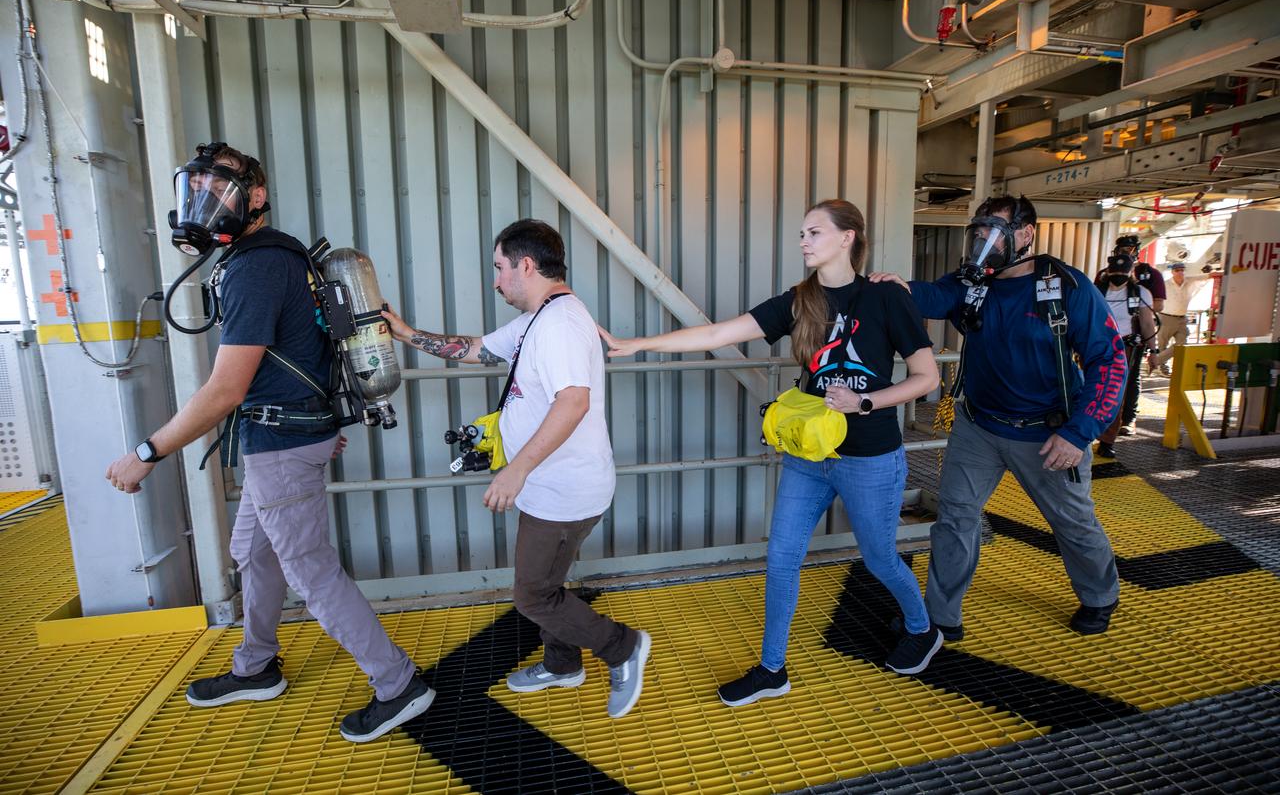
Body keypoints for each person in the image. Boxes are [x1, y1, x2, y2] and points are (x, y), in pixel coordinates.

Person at [105, 142, 434, 744]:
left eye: (219, 190)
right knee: (253, 553)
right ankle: (255, 668)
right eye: (196, 190)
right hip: (280, 437)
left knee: (309, 570)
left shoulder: (257, 265)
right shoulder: (268, 258)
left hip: (279, 442)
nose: (203, 204)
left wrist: (146, 454)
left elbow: (226, 389)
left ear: (254, 198)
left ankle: (398, 684)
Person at [600, 199, 942, 708]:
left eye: (814, 232)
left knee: (879, 558)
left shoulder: (886, 299)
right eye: (801, 233)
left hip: (869, 457)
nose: (803, 241)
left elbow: (927, 378)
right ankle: (771, 668)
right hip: (809, 454)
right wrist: (636, 343)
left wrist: (865, 400)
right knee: (781, 557)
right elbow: (719, 333)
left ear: (848, 238)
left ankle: (922, 628)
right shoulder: (798, 300)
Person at [381, 219, 652, 719]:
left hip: (562, 490)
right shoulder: (540, 317)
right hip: (551, 486)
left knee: (532, 594)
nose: (496, 281)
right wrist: (405, 334)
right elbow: (477, 349)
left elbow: (572, 403)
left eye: (499, 268)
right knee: (548, 580)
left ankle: (623, 648)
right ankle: (561, 663)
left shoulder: (561, 325)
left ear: (526, 265)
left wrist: (517, 470)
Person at [871, 195, 1124, 637]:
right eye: (980, 230)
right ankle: (941, 617)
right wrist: (900, 287)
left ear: (1024, 234)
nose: (983, 239)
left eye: (995, 230)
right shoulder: (975, 283)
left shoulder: (1067, 287)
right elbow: (935, 296)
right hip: (979, 426)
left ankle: (1101, 595)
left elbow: (1109, 361)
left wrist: (1079, 433)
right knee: (955, 518)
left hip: (1048, 434)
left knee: (1073, 522)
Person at [1094, 254, 1157, 458]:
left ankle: (1107, 439)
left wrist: (1153, 351)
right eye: (1116, 271)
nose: (1119, 275)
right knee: (1091, 389)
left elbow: (1148, 324)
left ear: (1130, 272)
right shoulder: (1096, 291)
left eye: (1123, 272)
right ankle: (1086, 433)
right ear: (1108, 271)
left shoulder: (1140, 293)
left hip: (1124, 347)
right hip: (1097, 346)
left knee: (1115, 393)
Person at [1153, 261, 1208, 376]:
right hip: (1166, 317)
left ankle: (1156, 361)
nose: (1180, 272)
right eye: (1177, 270)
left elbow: (1208, 276)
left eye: (1182, 270)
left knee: (1181, 344)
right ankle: (1163, 368)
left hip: (1181, 318)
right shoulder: (1165, 284)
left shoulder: (1190, 281)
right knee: (1163, 344)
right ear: (1172, 272)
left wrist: (1225, 272)